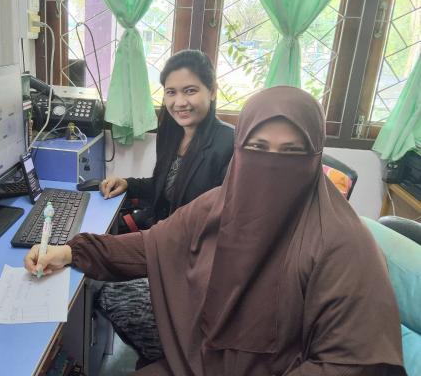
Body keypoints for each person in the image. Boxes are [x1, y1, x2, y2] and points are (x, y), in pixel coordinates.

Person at [25, 86, 406, 376]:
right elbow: (154, 244)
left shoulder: (343, 245)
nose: (271, 164)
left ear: (314, 157)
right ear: (240, 150)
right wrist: (73, 251)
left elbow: (353, 363)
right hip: (199, 358)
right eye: (257, 147)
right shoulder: (219, 206)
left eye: (291, 152)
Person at [98, 49, 235, 366]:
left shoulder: (229, 144)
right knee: (96, 275)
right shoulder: (172, 134)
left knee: (108, 292)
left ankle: (167, 358)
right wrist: (128, 183)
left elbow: (223, 224)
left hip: (193, 264)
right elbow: (166, 187)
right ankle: (158, 354)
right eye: (171, 92)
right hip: (164, 245)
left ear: (212, 91)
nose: (179, 102)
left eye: (190, 90)